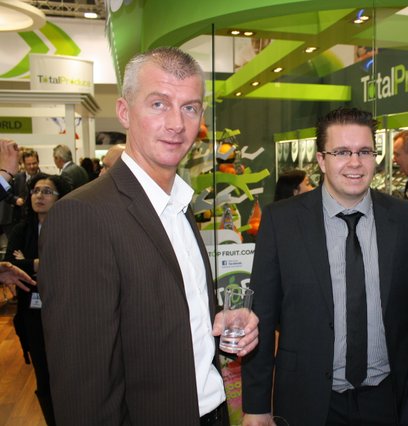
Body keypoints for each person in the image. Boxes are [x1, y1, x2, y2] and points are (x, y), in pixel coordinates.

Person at [39, 47, 259, 426]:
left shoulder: (180, 204)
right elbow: (84, 386)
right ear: (124, 112)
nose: (176, 124)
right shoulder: (84, 214)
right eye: (159, 104)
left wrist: (214, 323)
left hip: (212, 411)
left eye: (189, 108)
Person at [242, 107, 408, 426]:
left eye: (364, 151)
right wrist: (256, 405)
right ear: (321, 160)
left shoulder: (407, 219)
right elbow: (261, 317)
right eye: (342, 152)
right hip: (308, 400)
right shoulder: (282, 221)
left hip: (387, 400)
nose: (355, 162)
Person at [5, 173, 72, 425]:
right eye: (35, 191)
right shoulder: (22, 230)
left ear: (60, 198)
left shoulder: (70, 229)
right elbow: (9, 266)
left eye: (47, 191)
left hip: (66, 311)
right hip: (32, 312)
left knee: (67, 373)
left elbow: (70, 266)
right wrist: (36, 263)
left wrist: (27, 262)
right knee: (42, 375)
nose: (39, 196)